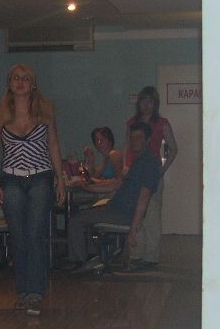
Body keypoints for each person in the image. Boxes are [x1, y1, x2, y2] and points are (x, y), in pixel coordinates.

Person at [0, 64, 66, 316]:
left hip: (40, 178)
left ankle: (36, 292)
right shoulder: (0, 114)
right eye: (15, 78)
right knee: (18, 236)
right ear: (9, 83)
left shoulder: (46, 111)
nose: (20, 82)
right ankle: (23, 291)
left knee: (34, 234)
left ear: (33, 84)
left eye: (25, 78)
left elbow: (53, 144)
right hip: (11, 179)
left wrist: (60, 179)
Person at [65, 122, 160, 272]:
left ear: (148, 140)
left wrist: (133, 229)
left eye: (139, 138)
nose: (134, 141)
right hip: (115, 207)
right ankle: (91, 257)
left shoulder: (148, 163)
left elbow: (143, 198)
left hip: (123, 212)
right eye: (132, 138)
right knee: (85, 215)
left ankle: (80, 261)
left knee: (76, 220)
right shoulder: (140, 160)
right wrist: (88, 186)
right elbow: (118, 185)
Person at [126, 86, 178, 268]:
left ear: (155, 104)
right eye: (144, 101)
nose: (147, 105)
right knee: (136, 214)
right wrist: (125, 168)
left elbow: (174, 148)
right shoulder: (132, 122)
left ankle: (150, 257)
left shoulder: (162, 123)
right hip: (135, 172)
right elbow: (127, 147)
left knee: (152, 215)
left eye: (150, 101)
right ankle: (136, 253)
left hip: (151, 171)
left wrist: (162, 170)